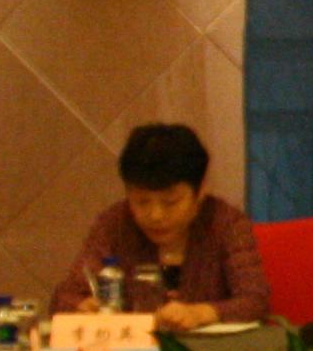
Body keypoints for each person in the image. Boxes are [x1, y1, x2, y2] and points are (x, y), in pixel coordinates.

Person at [50, 123, 272, 329]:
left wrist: (203, 313)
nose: (156, 215)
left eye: (170, 202)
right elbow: (64, 297)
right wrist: (80, 307)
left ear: (201, 190)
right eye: (142, 201)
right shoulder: (115, 224)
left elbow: (255, 300)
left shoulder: (226, 223)